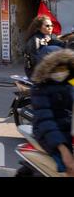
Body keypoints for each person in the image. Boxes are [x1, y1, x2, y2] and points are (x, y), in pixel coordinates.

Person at [31, 48, 74, 176]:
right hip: (49, 133)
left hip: (68, 127)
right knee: (70, 167)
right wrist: (63, 149)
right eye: (58, 69)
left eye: (64, 68)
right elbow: (45, 121)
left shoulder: (69, 83)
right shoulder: (39, 88)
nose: (62, 72)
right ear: (48, 69)